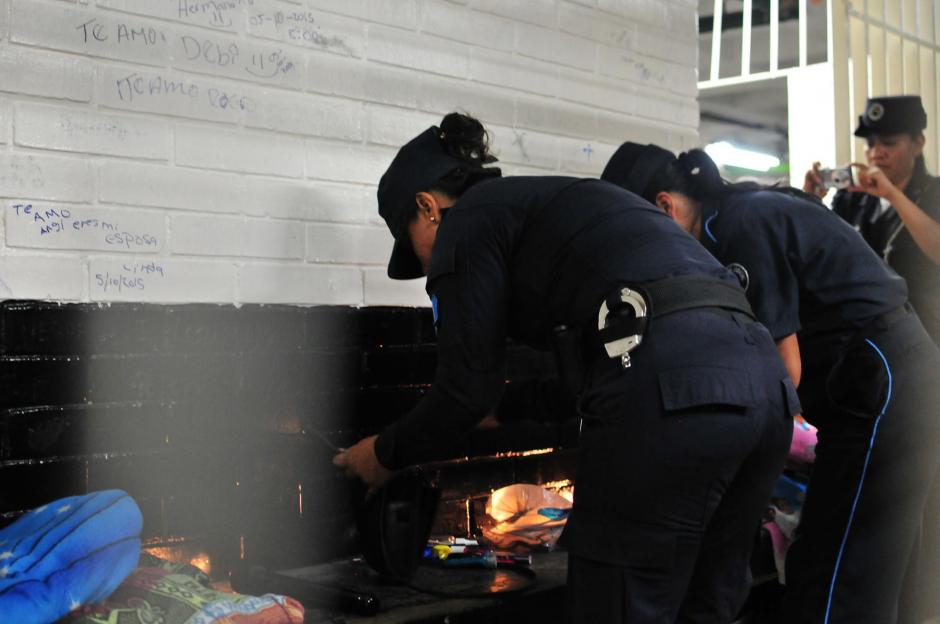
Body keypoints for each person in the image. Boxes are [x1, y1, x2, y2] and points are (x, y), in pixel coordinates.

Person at [333, 112, 794, 623]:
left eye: (411, 239)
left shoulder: (464, 224)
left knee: (616, 609)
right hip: (763, 388)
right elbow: (584, 372)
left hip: (673, 392)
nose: (423, 265)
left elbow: (466, 391)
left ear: (427, 206)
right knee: (703, 607)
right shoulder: (558, 209)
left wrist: (383, 453)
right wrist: (505, 410)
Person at [602, 142, 940, 623]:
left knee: (831, 575)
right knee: (877, 570)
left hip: (883, 383)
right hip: (894, 382)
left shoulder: (736, 227)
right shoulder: (744, 208)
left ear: (664, 206)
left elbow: (785, 372)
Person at [804, 95, 940, 343]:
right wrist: (810, 202)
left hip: (925, 337)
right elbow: (823, 255)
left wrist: (893, 194)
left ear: (917, 144)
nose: (876, 153)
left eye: (889, 143)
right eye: (870, 144)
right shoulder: (851, 200)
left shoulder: (934, 193)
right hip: (864, 337)